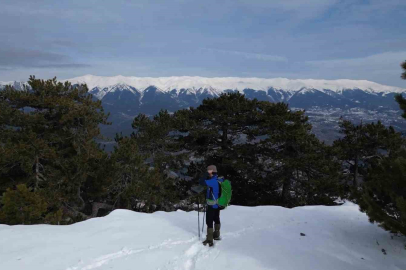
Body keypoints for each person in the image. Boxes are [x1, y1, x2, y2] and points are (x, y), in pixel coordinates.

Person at [199, 165, 224, 247]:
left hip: (211, 204)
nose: (207, 172)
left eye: (208, 170)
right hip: (218, 204)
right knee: (216, 218)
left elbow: (201, 181)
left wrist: (205, 174)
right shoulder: (219, 179)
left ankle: (210, 239)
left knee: (209, 221)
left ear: (212, 171)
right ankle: (216, 235)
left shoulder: (212, 181)